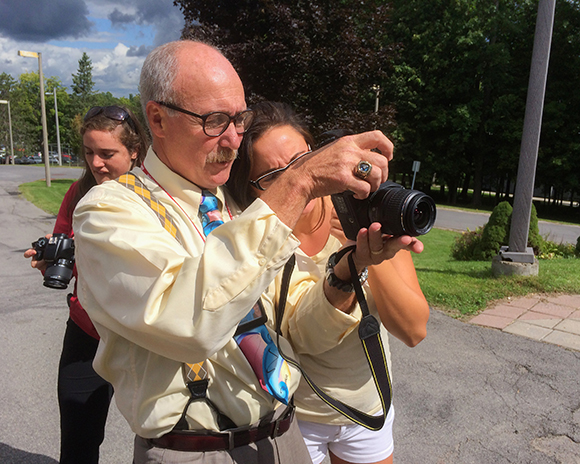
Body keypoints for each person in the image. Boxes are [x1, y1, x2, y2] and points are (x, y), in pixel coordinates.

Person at [72, 40, 394, 464]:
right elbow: (189, 324)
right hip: (199, 451)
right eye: (215, 120)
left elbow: (296, 329)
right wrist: (298, 181)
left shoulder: (234, 212)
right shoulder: (109, 210)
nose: (234, 140)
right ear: (157, 119)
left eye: (239, 119)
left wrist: (347, 271)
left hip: (284, 436)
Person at [228, 101, 430, 464]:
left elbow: (414, 329)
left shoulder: (362, 207)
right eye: (274, 177)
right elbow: (301, 336)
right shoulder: (260, 239)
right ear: (252, 189)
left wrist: (366, 244)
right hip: (295, 417)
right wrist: (351, 266)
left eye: (301, 162)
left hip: (366, 409)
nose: (296, 179)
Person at [23, 105, 149, 464]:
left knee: (160, 440)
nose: (96, 163)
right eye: (89, 152)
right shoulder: (79, 194)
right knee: (79, 440)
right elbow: (63, 245)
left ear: (134, 150)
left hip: (143, 337)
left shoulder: (156, 198)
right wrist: (50, 259)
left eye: (107, 154)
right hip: (87, 333)